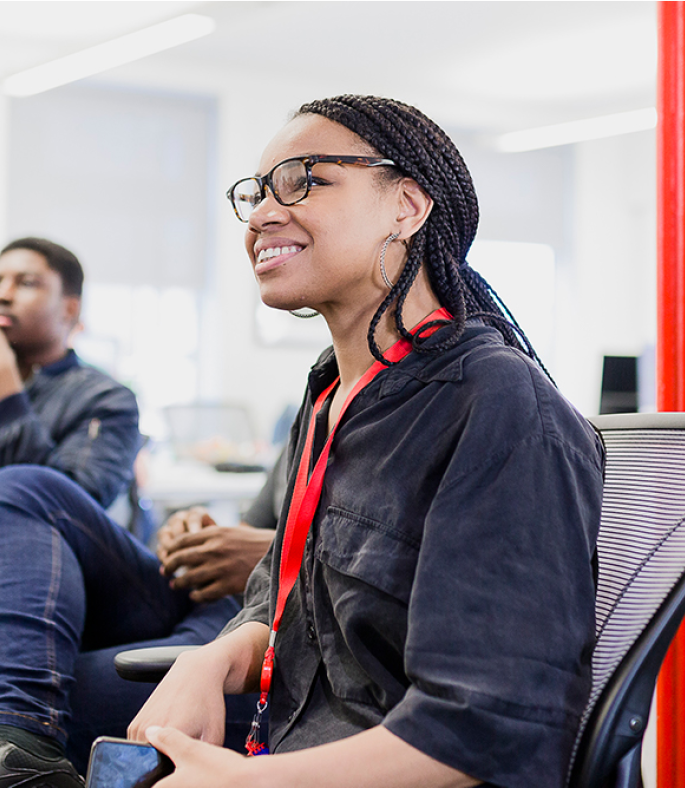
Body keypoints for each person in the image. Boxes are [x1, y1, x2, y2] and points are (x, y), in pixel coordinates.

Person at [124, 95, 605, 788]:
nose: (262, 213)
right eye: (256, 193)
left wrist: (251, 784)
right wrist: (214, 659)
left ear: (406, 208)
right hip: (287, 728)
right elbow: (293, 604)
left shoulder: (498, 407)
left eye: (304, 180)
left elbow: (485, 728)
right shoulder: (331, 391)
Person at [0, 452, 281, 784]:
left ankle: (20, 743)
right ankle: (20, 744)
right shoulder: (316, 405)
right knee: (23, 489)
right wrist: (204, 539)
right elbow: (253, 534)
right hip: (223, 602)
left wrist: (272, 554)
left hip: (275, 642)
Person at [0, 237, 140, 678]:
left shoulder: (104, 399)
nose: (2, 293)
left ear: (69, 309)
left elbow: (64, 506)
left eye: (26, 282)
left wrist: (5, 385)